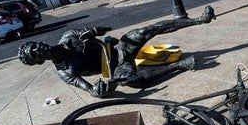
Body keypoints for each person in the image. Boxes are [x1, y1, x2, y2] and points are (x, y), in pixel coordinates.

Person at [18, 6, 216, 98]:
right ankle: (179, 65)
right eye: (35, 53)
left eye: (36, 45)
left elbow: (105, 30)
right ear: (39, 62)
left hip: (117, 47)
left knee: (146, 30)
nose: (39, 48)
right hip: (116, 68)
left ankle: (199, 20)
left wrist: (94, 31)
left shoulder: (69, 36)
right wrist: (103, 89)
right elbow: (92, 91)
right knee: (131, 81)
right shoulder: (65, 73)